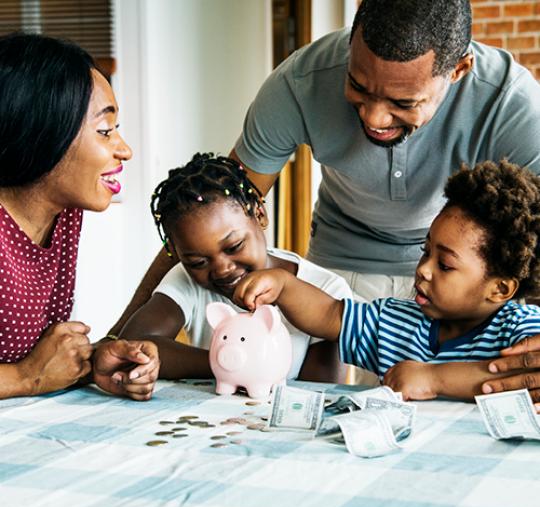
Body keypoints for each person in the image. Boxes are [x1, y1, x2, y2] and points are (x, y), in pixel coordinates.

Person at [227, 0, 540, 393]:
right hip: (341, 261)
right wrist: (139, 317)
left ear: (458, 70)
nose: (374, 119)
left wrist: (437, 379)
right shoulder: (298, 82)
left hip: (462, 271)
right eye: (358, 86)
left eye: (403, 102)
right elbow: (219, 212)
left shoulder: (513, 103)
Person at [233, 160, 540, 405]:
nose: (423, 270)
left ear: (499, 289)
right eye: (426, 251)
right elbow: (329, 315)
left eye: (445, 265)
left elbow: (529, 372)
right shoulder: (397, 321)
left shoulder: (519, 331)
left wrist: (433, 379)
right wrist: (285, 286)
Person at [0, 33, 159, 400]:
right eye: (104, 131)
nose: (125, 150)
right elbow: (30, 370)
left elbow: (41, 355)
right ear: (40, 131)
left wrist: (91, 363)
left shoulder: (65, 214)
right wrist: (26, 378)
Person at [117, 153, 351, 383]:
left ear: (259, 214)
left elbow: (321, 391)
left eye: (234, 246)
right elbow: (131, 345)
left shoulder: (327, 289)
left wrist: (236, 364)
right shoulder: (186, 278)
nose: (222, 269)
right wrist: (224, 362)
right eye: (198, 262)